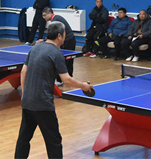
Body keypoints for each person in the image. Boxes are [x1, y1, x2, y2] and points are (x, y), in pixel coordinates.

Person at [14, 21, 92, 158]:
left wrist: (25, 94)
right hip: (43, 103)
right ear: (59, 36)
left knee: (24, 138)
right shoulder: (56, 53)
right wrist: (83, 85)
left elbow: (23, 72)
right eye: (64, 34)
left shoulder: (35, 48)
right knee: (54, 141)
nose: (65, 36)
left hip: (28, 101)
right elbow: (66, 79)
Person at [40, 7, 76, 81]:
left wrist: (44, 41)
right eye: (43, 15)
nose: (43, 17)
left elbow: (54, 36)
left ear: (50, 13)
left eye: (44, 15)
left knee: (64, 60)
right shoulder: (56, 18)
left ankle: (60, 80)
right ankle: (69, 77)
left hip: (68, 40)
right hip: (70, 39)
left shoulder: (55, 21)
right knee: (69, 60)